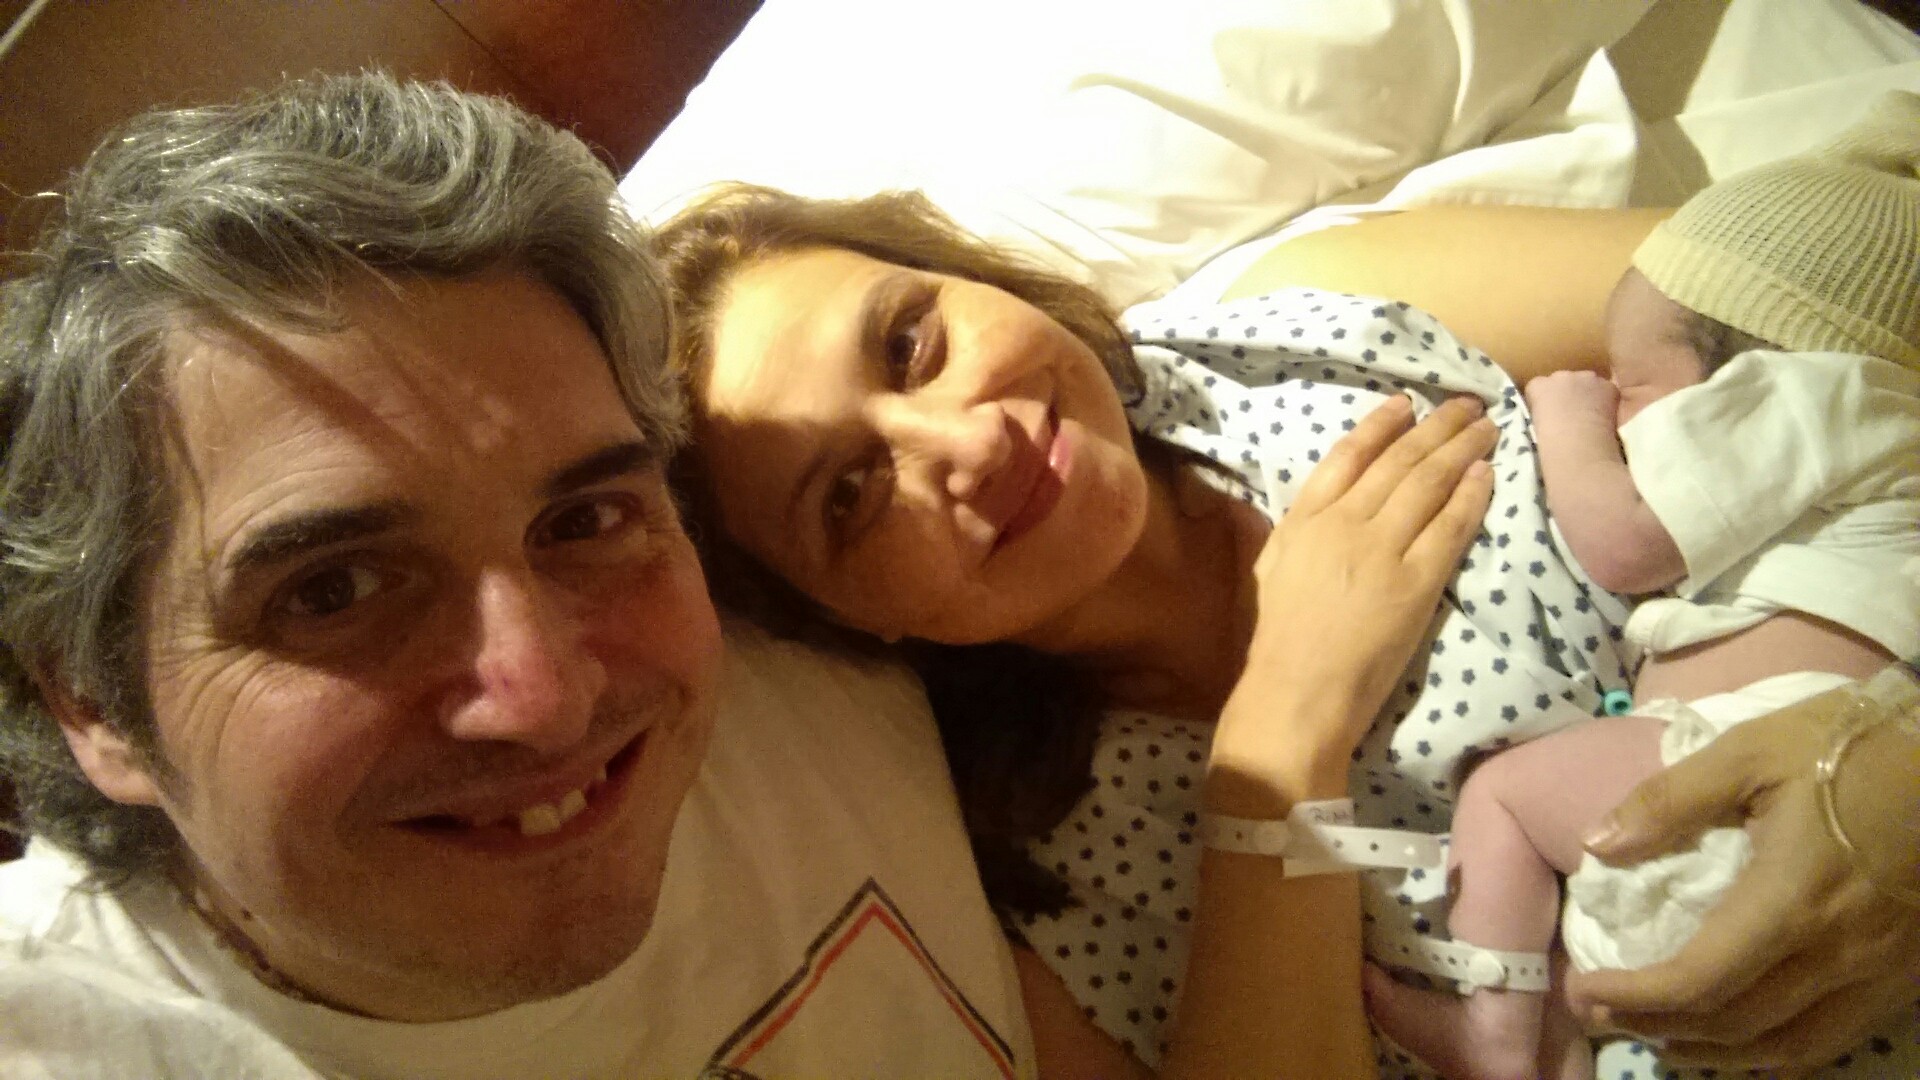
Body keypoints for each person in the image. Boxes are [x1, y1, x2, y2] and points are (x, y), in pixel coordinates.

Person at [0, 73, 1489, 1080]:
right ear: (90, 697)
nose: (543, 695)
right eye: (334, 589)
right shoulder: (78, 1034)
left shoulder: (798, 675)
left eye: (585, 519)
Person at [649, 160, 1920, 1077]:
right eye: (851, 495)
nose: (968, 444)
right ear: (841, 620)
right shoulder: (1053, 882)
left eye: (911, 343)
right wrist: (1285, 732)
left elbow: (1850, 290)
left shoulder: (1312, 337)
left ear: (966, 277)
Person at [1358, 91, 1920, 1080]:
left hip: (1742, 777)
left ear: (1749, 362)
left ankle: (1502, 1034)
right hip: (1820, 832)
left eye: (1633, 384)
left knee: (1505, 796)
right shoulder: (1872, 451)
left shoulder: (1820, 391)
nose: (1617, 405)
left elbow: (1624, 543)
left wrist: (1566, 416)